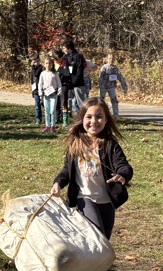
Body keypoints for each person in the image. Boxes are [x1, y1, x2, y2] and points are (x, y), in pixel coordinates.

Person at [51, 96, 133, 239]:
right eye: (89, 117)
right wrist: (58, 182)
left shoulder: (109, 145)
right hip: (84, 199)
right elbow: (66, 171)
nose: (94, 121)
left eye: (99, 117)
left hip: (107, 201)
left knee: (104, 241)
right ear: (82, 118)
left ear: (106, 120)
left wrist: (122, 175)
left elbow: (123, 165)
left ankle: (97, 262)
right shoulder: (75, 145)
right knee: (97, 236)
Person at [98, 53, 128, 119]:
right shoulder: (104, 67)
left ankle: (116, 115)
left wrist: (124, 87)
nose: (111, 60)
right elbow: (100, 78)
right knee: (100, 101)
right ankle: (99, 114)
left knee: (114, 101)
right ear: (107, 59)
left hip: (111, 87)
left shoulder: (115, 68)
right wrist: (101, 88)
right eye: (110, 58)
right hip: (103, 87)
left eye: (113, 58)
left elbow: (120, 77)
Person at [62, 40, 87, 115]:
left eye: (64, 48)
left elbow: (80, 69)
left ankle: (84, 115)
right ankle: (67, 116)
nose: (63, 50)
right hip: (68, 83)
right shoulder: (65, 57)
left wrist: (75, 81)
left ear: (69, 48)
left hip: (77, 83)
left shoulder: (77, 56)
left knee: (80, 101)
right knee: (68, 100)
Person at [38, 56, 61, 133]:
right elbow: (40, 84)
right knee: (47, 111)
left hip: (53, 95)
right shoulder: (43, 73)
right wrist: (40, 93)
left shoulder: (55, 73)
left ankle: (53, 126)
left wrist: (59, 91)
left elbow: (59, 83)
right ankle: (47, 125)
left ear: (52, 64)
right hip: (46, 95)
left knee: (52, 110)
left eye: (49, 63)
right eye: (46, 63)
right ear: (44, 64)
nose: (48, 65)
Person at [54, 50, 73, 127]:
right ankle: (57, 118)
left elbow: (70, 73)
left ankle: (64, 118)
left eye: (59, 58)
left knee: (64, 102)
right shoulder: (53, 63)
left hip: (64, 84)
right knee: (56, 102)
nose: (58, 60)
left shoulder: (66, 62)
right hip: (55, 85)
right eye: (56, 59)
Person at [29, 52, 43, 126]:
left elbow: (36, 74)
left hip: (41, 89)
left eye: (37, 61)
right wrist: (32, 91)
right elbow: (32, 80)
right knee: (37, 105)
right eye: (34, 62)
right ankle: (38, 118)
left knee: (43, 104)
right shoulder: (32, 70)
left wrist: (33, 67)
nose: (36, 63)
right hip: (35, 90)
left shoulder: (41, 68)